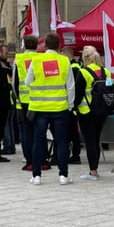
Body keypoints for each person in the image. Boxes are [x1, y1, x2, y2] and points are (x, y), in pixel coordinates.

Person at [25, 33, 75, 185]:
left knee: (38, 141)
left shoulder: (36, 60)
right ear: (59, 46)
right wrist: (70, 105)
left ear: (45, 45)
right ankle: (63, 175)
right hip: (60, 107)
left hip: (40, 107)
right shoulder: (64, 61)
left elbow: (27, 82)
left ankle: (36, 176)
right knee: (61, 141)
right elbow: (70, 86)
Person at [75, 45, 114, 181]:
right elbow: (113, 89)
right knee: (96, 139)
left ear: (85, 58)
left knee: (90, 141)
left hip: (86, 111)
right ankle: (95, 169)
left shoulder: (83, 72)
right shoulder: (106, 72)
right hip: (102, 111)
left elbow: (78, 95)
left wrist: (73, 108)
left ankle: (93, 171)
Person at [12, 35, 48, 172]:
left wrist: (18, 98)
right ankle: (43, 160)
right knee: (41, 131)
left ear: (24, 46)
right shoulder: (42, 58)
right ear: (37, 46)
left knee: (26, 132)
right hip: (40, 100)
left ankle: (30, 162)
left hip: (24, 101)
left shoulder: (19, 59)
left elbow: (14, 83)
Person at [61, 46, 83, 165]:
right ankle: (75, 154)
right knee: (73, 132)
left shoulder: (73, 68)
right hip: (74, 105)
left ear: (68, 56)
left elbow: (70, 87)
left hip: (70, 105)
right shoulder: (77, 67)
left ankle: (75, 155)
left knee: (72, 132)